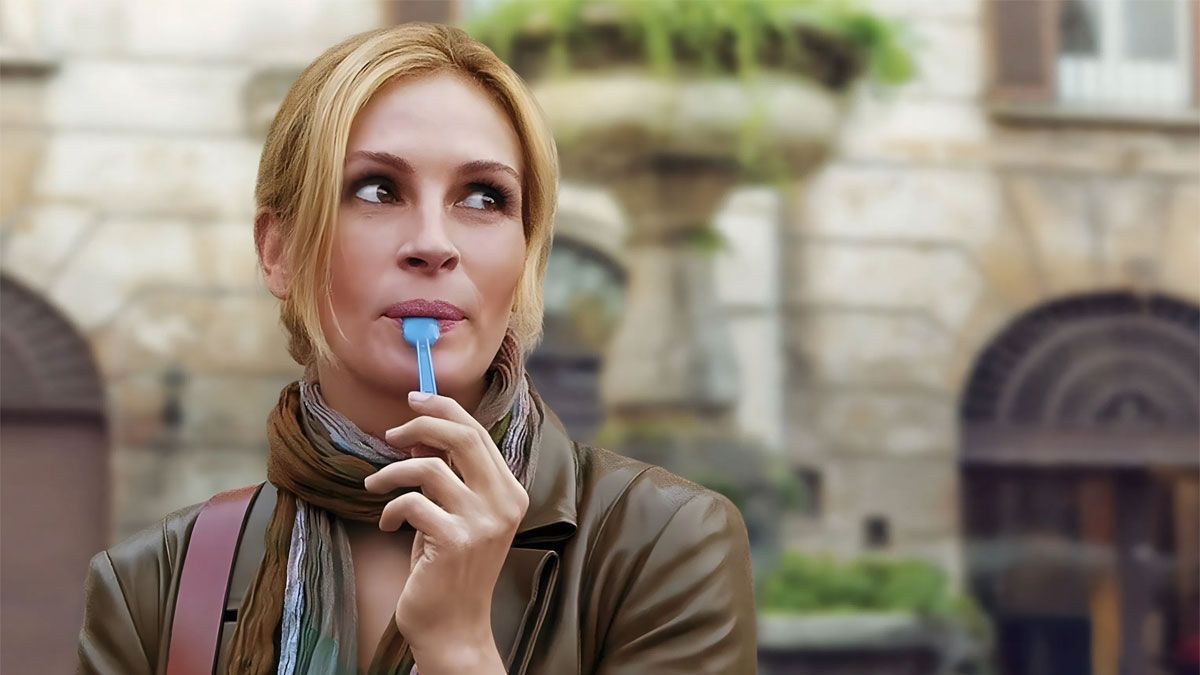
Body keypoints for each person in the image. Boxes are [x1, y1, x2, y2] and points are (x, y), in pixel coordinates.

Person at [75, 22, 757, 675]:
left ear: (526, 253)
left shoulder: (665, 543)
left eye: (483, 198)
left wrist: (460, 647)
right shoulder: (152, 587)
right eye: (377, 190)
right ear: (278, 251)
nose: (433, 243)